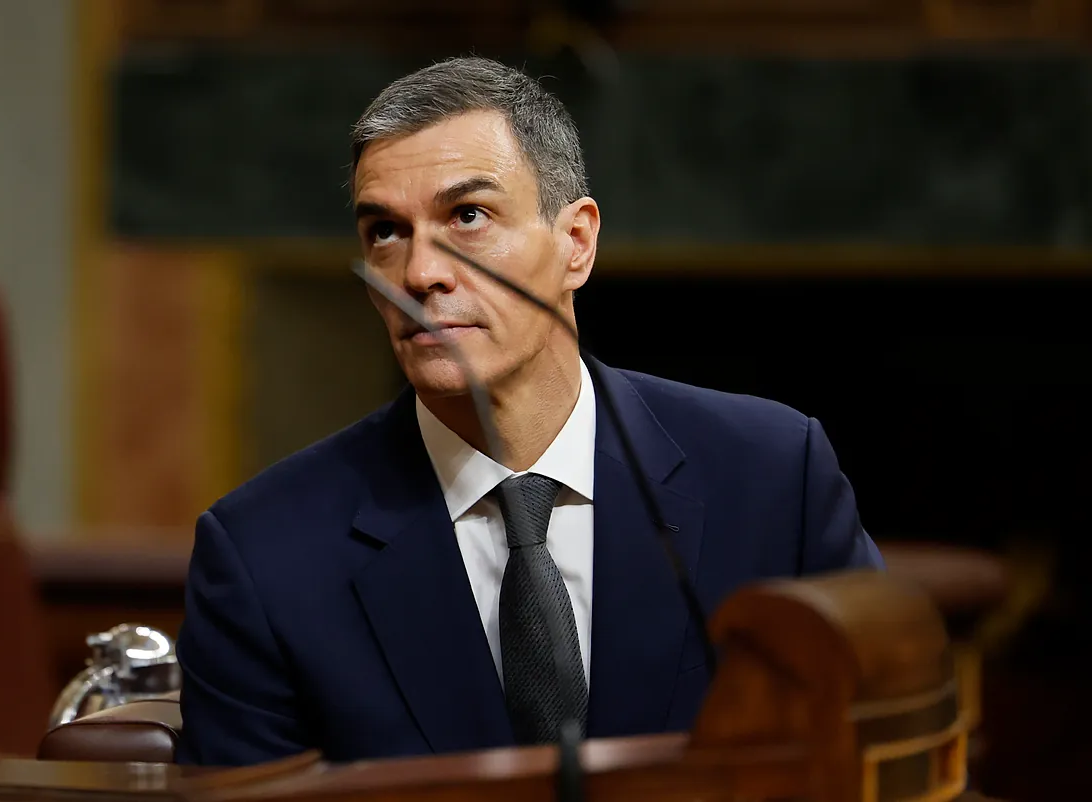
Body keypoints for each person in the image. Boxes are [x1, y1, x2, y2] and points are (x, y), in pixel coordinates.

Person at [174, 55, 883, 767]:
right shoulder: (266, 554)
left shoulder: (771, 476)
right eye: (385, 232)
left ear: (577, 243)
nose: (419, 274)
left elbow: (882, 751)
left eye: (468, 216)